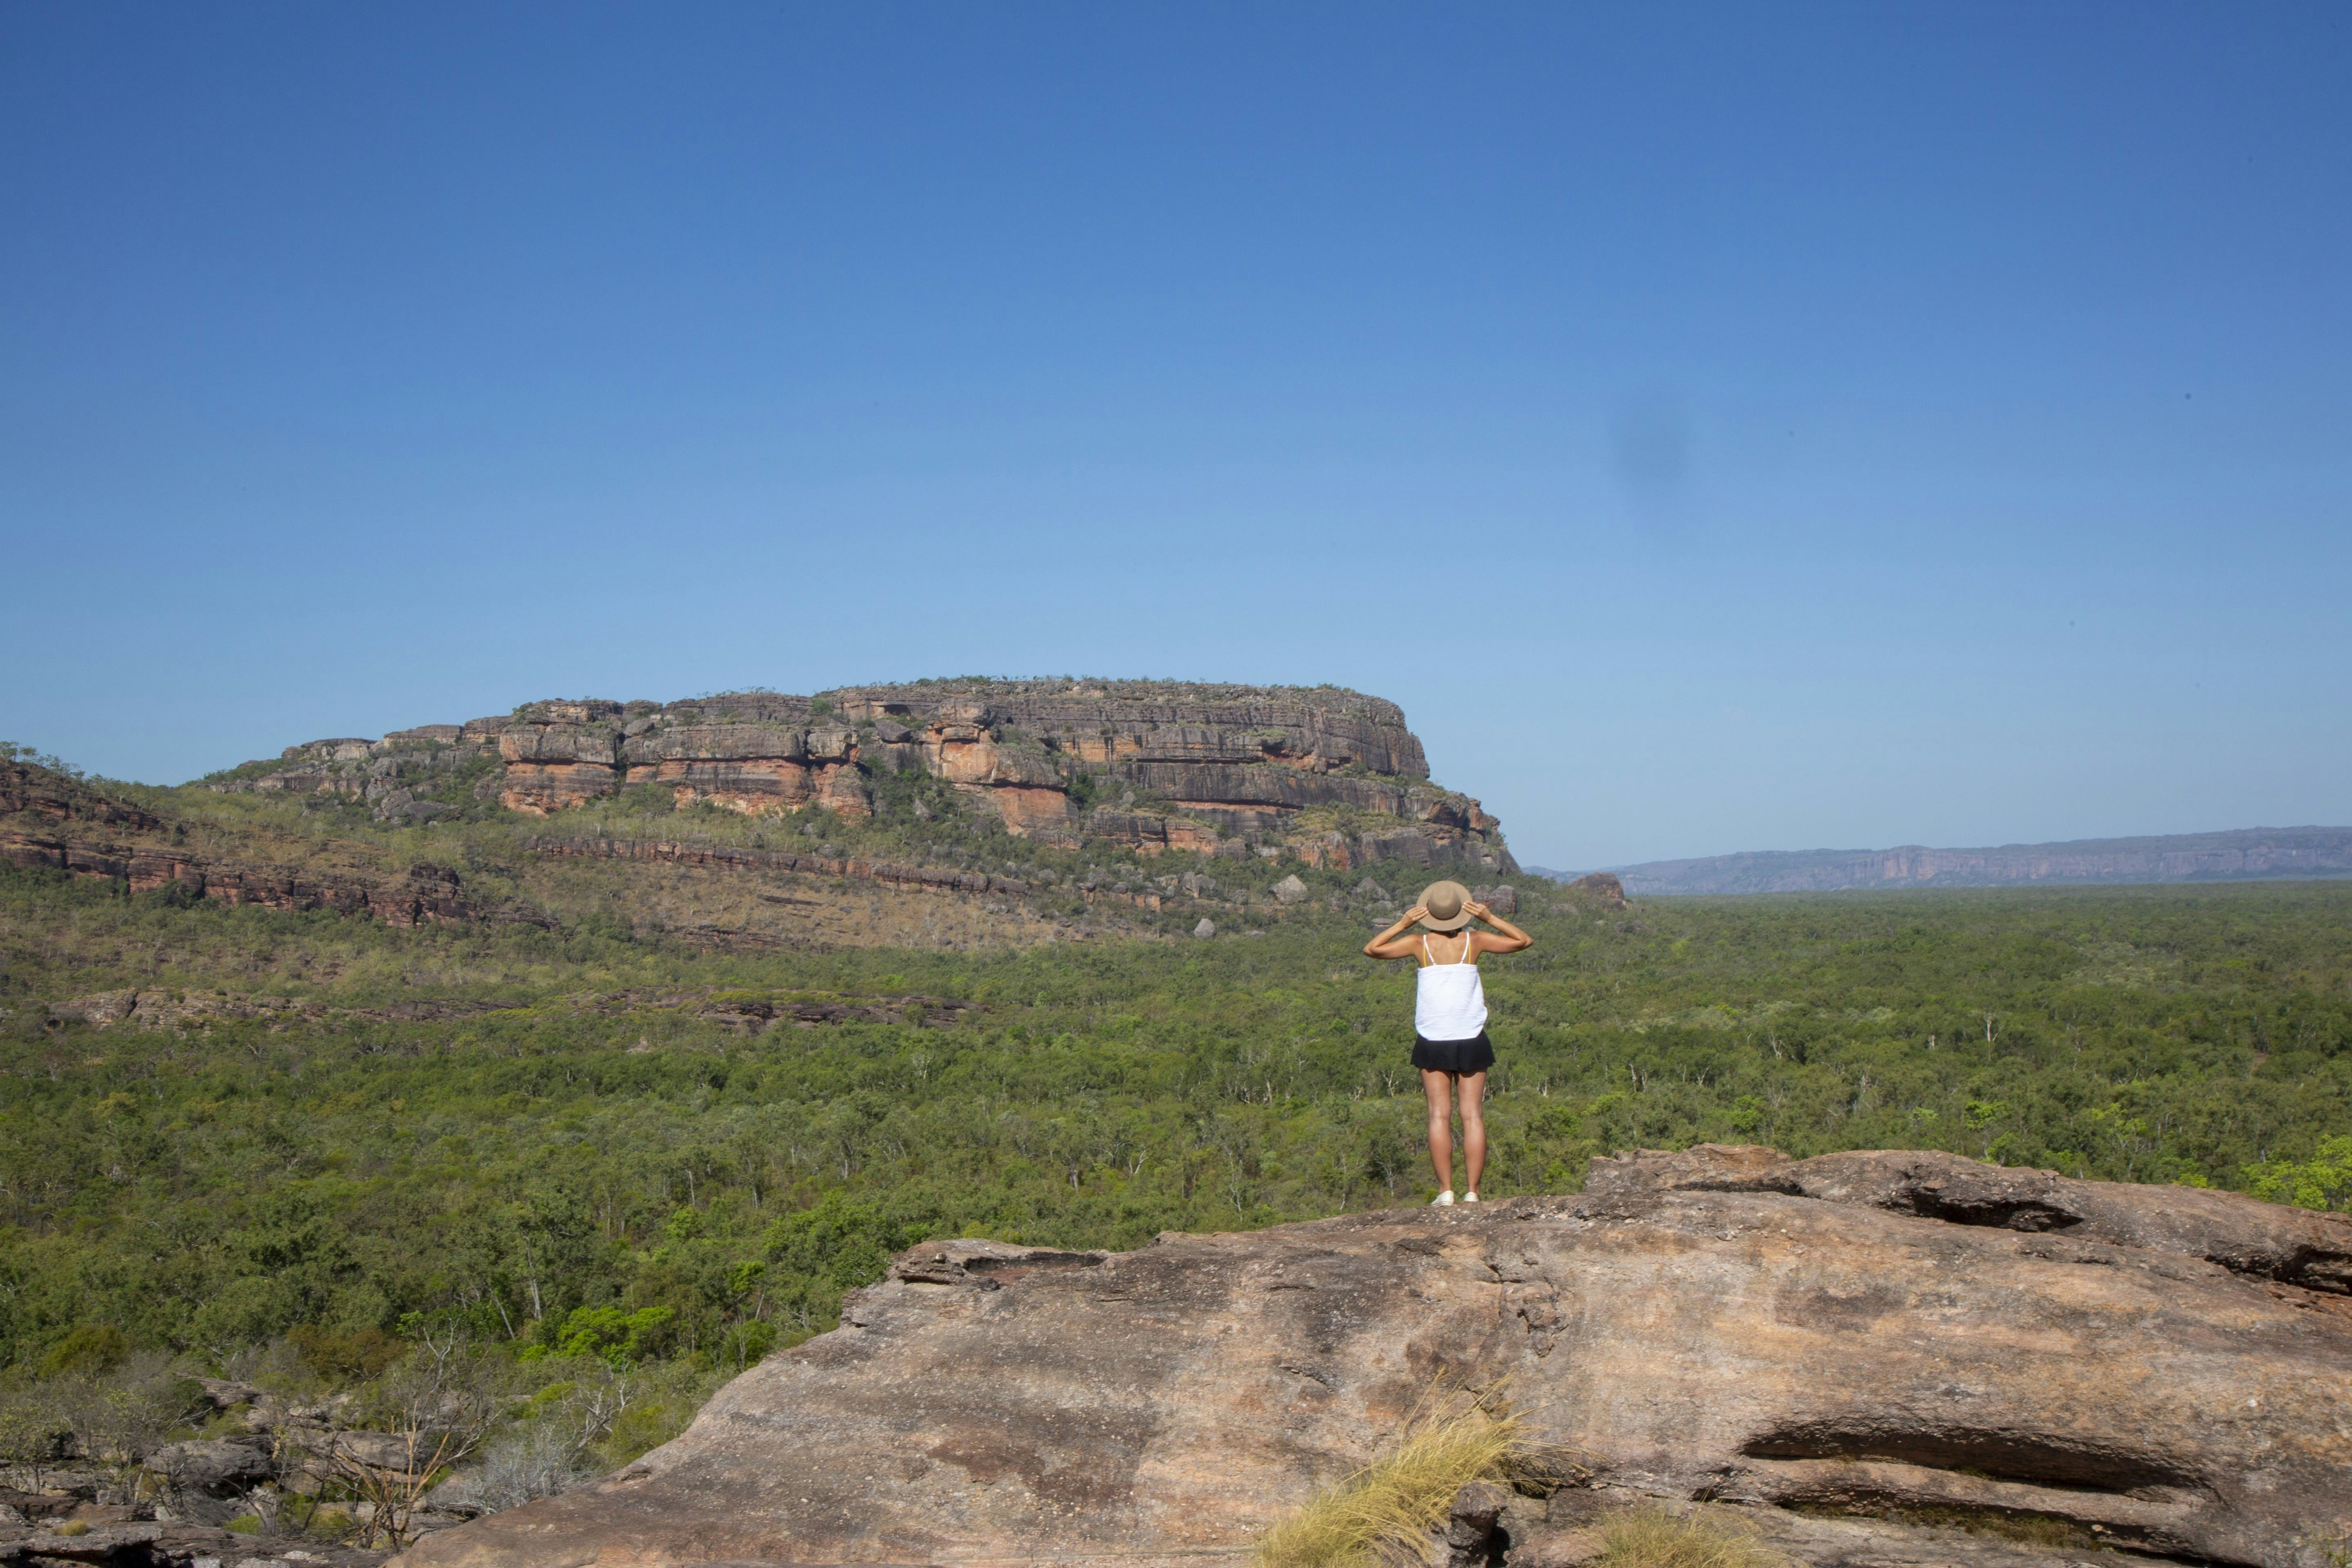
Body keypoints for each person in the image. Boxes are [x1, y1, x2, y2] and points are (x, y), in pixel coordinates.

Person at [1362, 879, 1534, 1205]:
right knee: (1473, 1116)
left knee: (1439, 1115)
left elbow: (1372, 949)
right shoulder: (1476, 940)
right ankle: (1474, 1192)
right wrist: (1489, 918)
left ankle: (1446, 1191)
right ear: (1460, 913)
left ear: (1429, 915)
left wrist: (1403, 923)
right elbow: (1524, 941)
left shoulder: (1417, 944)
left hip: (1433, 1038)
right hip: (1471, 1037)